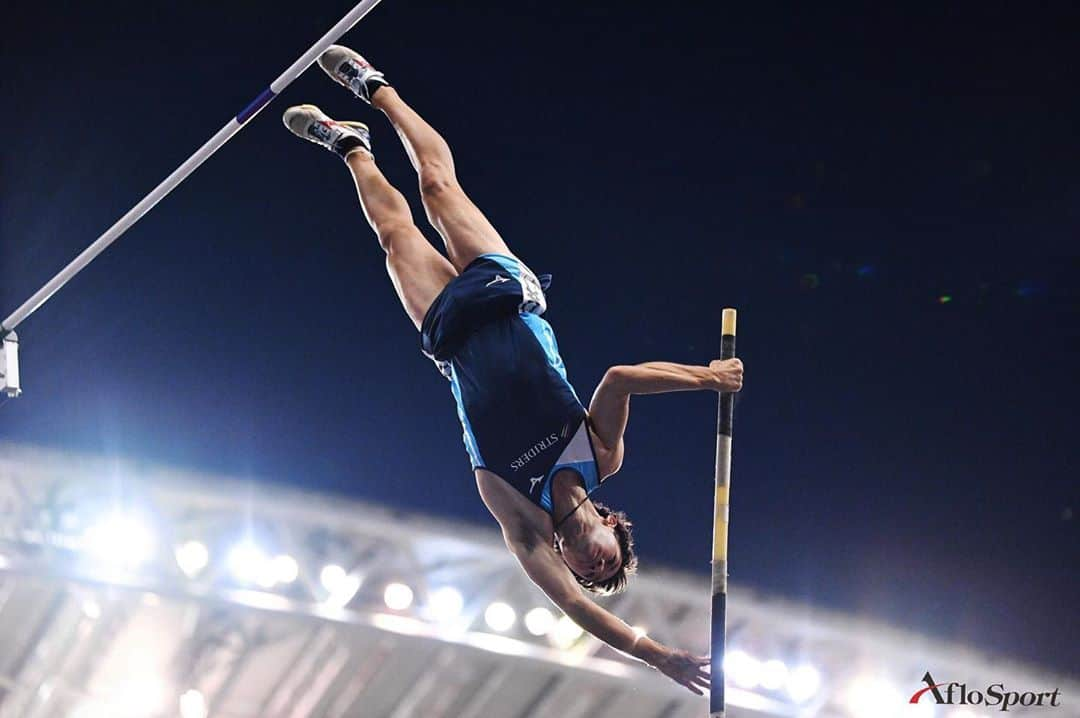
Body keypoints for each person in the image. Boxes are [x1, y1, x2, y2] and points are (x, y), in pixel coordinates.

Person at [283, 45, 743, 695]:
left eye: (584, 569)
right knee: (439, 188)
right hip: (508, 297)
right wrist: (708, 377)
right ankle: (375, 88)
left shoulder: (524, 527)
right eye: (604, 561)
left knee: (394, 234)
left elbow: (580, 610)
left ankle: (349, 147)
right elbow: (619, 378)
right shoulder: (600, 456)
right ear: (615, 527)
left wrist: (653, 654)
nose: (588, 565)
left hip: (451, 337)